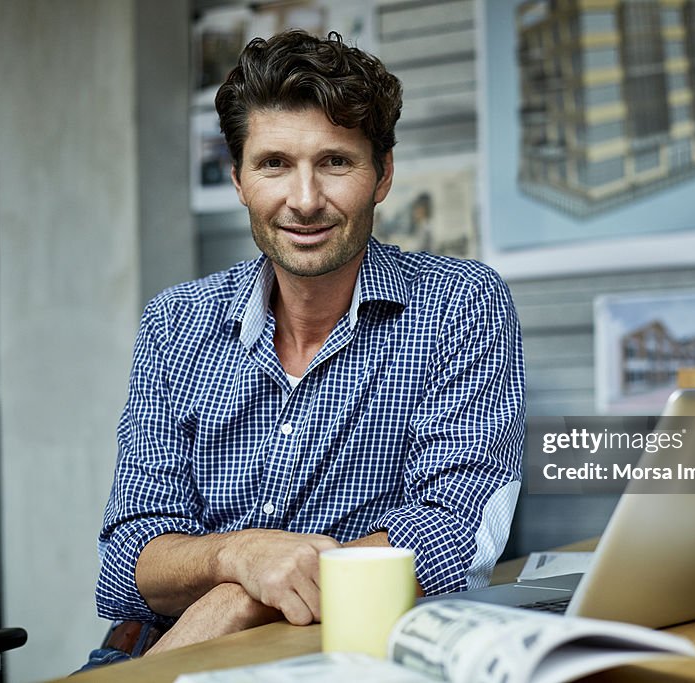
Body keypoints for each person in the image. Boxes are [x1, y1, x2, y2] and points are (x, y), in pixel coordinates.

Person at [86, 30, 525, 665]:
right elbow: (132, 557)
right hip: (164, 648)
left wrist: (243, 600)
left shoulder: (460, 306)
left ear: (383, 175)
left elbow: (455, 530)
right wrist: (238, 560)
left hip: (352, 655)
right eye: (274, 164)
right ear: (238, 179)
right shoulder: (174, 323)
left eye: (336, 162)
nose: (305, 200)